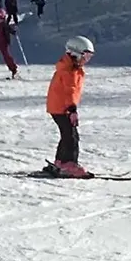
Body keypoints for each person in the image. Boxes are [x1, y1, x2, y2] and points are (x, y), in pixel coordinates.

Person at [44, 35, 95, 177]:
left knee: (67, 134)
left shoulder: (70, 67)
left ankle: (60, 161)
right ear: (75, 53)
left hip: (59, 106)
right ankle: (69, 164)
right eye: (85, 56)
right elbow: (70, 91)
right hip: (62, 107)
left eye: (89, 57)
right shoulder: (69, 70)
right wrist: (72, 109)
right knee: (71, 136)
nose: (87, 60)